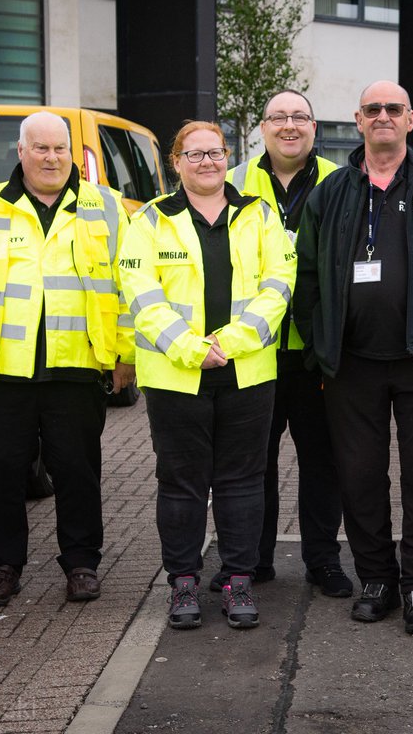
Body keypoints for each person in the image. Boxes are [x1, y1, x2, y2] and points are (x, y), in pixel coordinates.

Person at [293, 80, 413, 635]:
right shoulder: (333, 190)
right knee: (360, 478)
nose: (382, 116)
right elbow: (305, 275)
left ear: (410, 118)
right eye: (372, 109)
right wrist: (321, 342)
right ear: (357, 120)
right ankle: (377, 579)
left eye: (392, 108)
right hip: (351, 365)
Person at [0, 111, 135, 607]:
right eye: (40, 148)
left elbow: (129, 285)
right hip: (3, 368)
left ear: (72, 153)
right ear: (20, 152)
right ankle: (2, 567)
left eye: (60, 148)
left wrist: (126, 356)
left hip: (77, 365)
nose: (51, 157)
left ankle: (82, 563)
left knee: (77, 470)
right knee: (0, 470)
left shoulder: (105, 206)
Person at [118, 121, 295, 630]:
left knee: (243, 482)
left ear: (227, 157)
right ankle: (183, 584)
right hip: (175, 377)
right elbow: (141, 295)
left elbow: (279, 284)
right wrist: (193, 349)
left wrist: (230, 344)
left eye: (215, 153)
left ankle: (239, 582)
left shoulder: (259, 215)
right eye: (194, 155)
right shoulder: (149, 221)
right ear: (176, 163)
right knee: (181, 484)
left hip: (247, 373)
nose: (207, 163)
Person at [227, 89, 351, 598]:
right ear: (262, 127)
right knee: (251, 461)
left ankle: (322, 560)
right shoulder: (233, 180)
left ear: (315, 128)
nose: (289, 126)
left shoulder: (342, 182)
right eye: (278, 117)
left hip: (316, 350)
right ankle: (252, 559)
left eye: (299, 117)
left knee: (323, 460)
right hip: (253, 346)